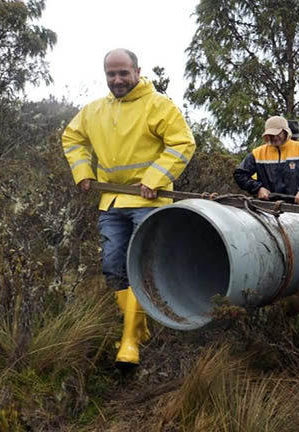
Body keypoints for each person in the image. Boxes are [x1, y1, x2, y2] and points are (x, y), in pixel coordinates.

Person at [62, 48, 196, 369]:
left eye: (124, 73)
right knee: (112, 266)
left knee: (140, 267)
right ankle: (139, 326)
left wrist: (155, 178)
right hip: (110, 201)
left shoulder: (158, 106)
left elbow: (183, 143)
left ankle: (129, 342)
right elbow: (72, 137)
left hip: (148, 202)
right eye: (112, 74)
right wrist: (83, 173)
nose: (118, 80)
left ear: (137, 71)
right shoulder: (94, 110)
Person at [234, 116, 299, 205]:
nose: (274, 137)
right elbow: (240, 174)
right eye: (271, 135)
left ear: (286, 131)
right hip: (267, 208)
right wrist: (258, 188)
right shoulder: (258, 153)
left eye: (278, 134)